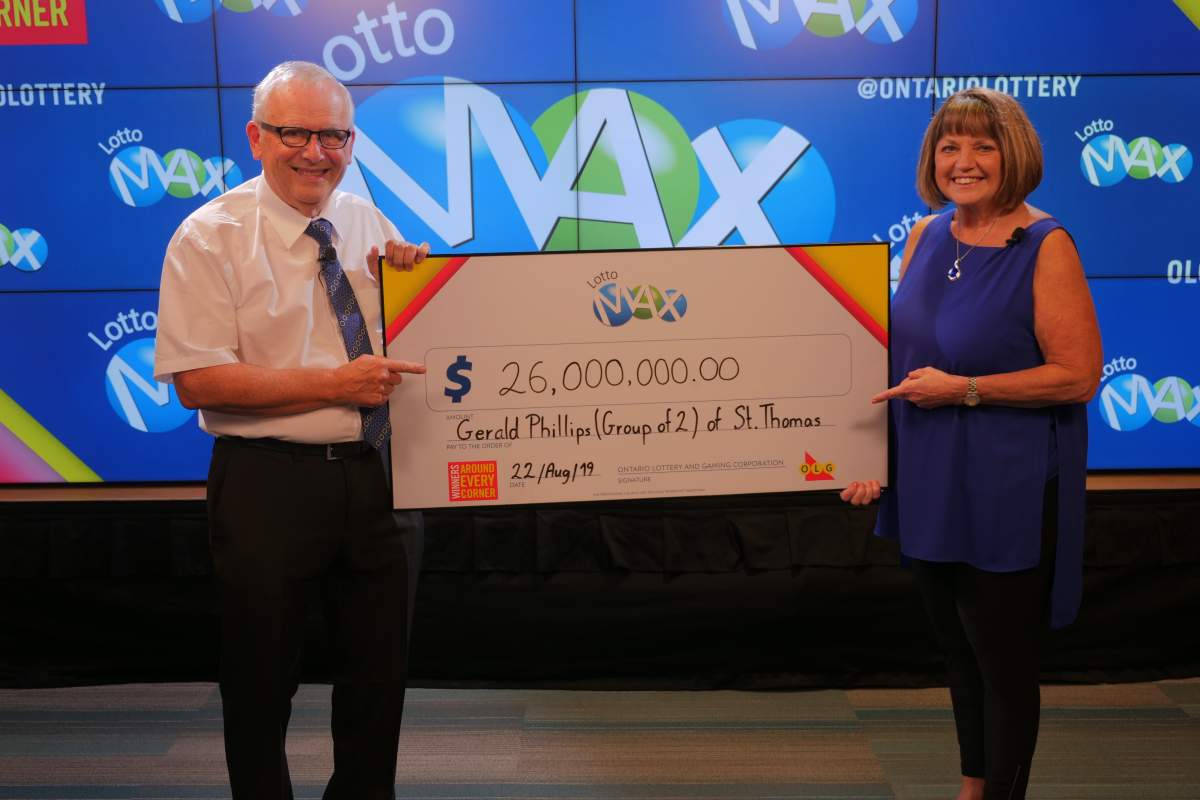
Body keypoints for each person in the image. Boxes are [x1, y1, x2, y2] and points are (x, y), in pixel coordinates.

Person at [154, 61, 430, 800]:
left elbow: (411, 344)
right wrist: (329, 385)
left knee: (379, 681)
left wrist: (421, 280)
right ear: (256, 137)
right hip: (266, 483)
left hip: (381, 478)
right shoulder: (207, 236)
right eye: (295, 133)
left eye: (334, 135)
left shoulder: (367, 219)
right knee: (259, 680)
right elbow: (197, 381)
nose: (316, 151)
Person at [840, 88, 1102, 800]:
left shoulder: (1046, 246)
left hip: (1004, 485)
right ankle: (973, 785)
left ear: (1012, 153)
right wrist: (867, 459)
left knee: (1003, 662)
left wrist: (967, 389)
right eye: (950, 147)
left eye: (983, 145)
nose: (964, 161)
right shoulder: (925, 236)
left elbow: (1078, 376)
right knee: (956, 648)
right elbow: (899, 359)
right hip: (928, 477)